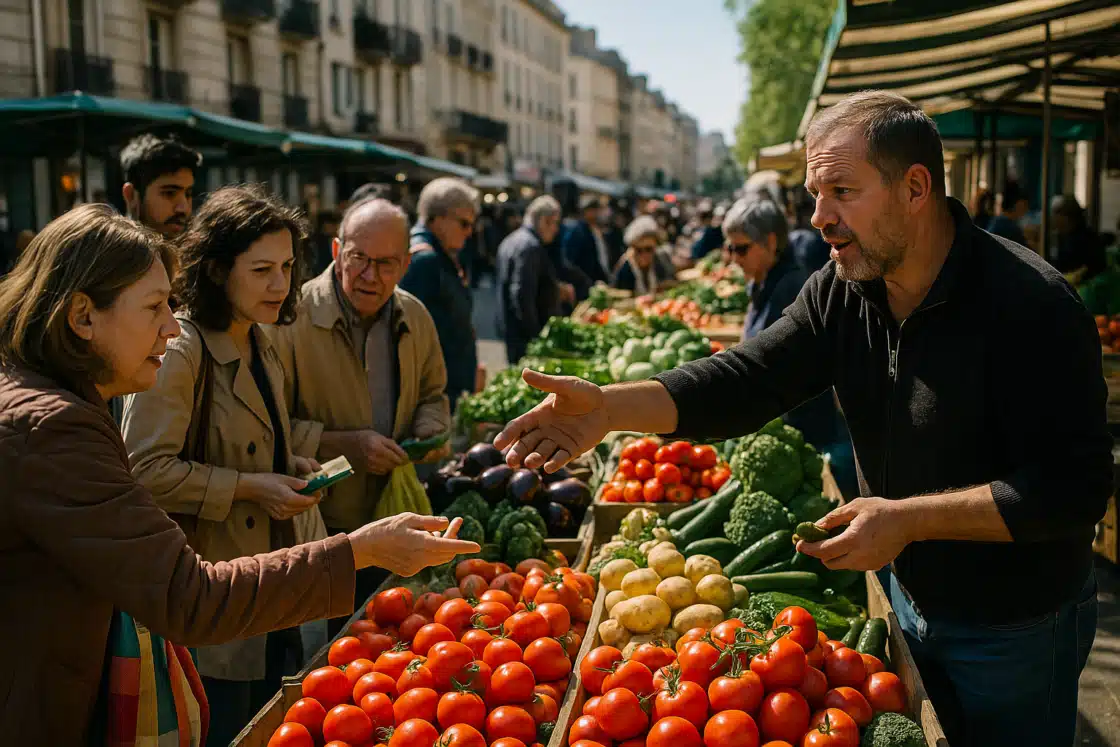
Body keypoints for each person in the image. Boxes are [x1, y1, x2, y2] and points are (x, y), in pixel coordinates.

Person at [493, 90, 1110, 747]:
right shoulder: (843, 289)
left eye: (841, 190)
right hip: (911, 602)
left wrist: (907, 519)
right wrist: (611, 408)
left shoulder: (1031, 304)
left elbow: (1073, 490)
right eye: (816, 194)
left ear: (916, 187)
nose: (820, 217)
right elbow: (745, 379)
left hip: (1016, 628)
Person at [0, 204, 479, 745]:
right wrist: (360, 549)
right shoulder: (55, 428)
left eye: (287, 268)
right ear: (82, 317)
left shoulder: (50, 401)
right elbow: (191, 595)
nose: (168, 325)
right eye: (155, 307)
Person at [119, 186, 327, 745]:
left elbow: (254, 439)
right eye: (261, 270)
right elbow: (142, 471)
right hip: (213, 600)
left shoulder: (262, 338)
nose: (280, 285)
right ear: (215, 271)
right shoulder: (181, 347)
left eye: (286, 267)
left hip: (274, 591)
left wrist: (292, 463)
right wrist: (250, 487)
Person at [272, 197, 453, 629]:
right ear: (337, 251)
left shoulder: (415, 315)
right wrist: (346, 447)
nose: (371, 276)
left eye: (387, 264)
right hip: (326, 527)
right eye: (359, 259)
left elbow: (435, 393)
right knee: (337, 644)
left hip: (397, 515)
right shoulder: (289, 319)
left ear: (406, 264)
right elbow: (267, 428)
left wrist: (431, 425)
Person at [722, 198, 853, 495]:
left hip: (803, 431)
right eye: (730, 248)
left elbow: (774, 366)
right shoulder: (761, 281)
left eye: (741, 248)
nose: (733, 257)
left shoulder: (790, 288)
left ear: (770, 242)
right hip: (783, 425)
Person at [399, 177, 480, 409]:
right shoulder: (424, 260)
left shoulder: (439, 254)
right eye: (464, 224)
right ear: (438, 218)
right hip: (435, 395)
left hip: (448, 388)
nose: (469, 232)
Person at [496, 195, 565, 364]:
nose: (556, 229)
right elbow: (521, 294)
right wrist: (536, 336)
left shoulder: (511, 240)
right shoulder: (530, 246)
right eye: (554, 223)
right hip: (523, 335)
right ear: (543, 220)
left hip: (511, 328)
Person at [120, 133, 201, 238]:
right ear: (130, 195)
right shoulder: (104, 251)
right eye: (169, 193)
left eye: (188, 194)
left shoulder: (192, 251)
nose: (184, 208)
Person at [613, 215, 672, 295]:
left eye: (648, 249)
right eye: (639, 250)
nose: (644, 254)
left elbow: (670, 281)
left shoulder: (660, 259)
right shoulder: (625, 267)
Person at [1051, 194, 1106, 281]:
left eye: (1057, 215)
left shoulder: (1086, 240)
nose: (1054, 220)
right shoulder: (1063, 237)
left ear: (1067, 217)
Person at [562, 194, 613, 285]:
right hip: (582, 284)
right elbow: (570, 261)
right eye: (595, 209)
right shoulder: (577, 231)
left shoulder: (593, 230)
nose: (598, 213)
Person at [986, 181, 1029, 247]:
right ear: (1018, 204)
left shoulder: (996, 222)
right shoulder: (1011, 229)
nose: (1026, 210)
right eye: (1025, 205)